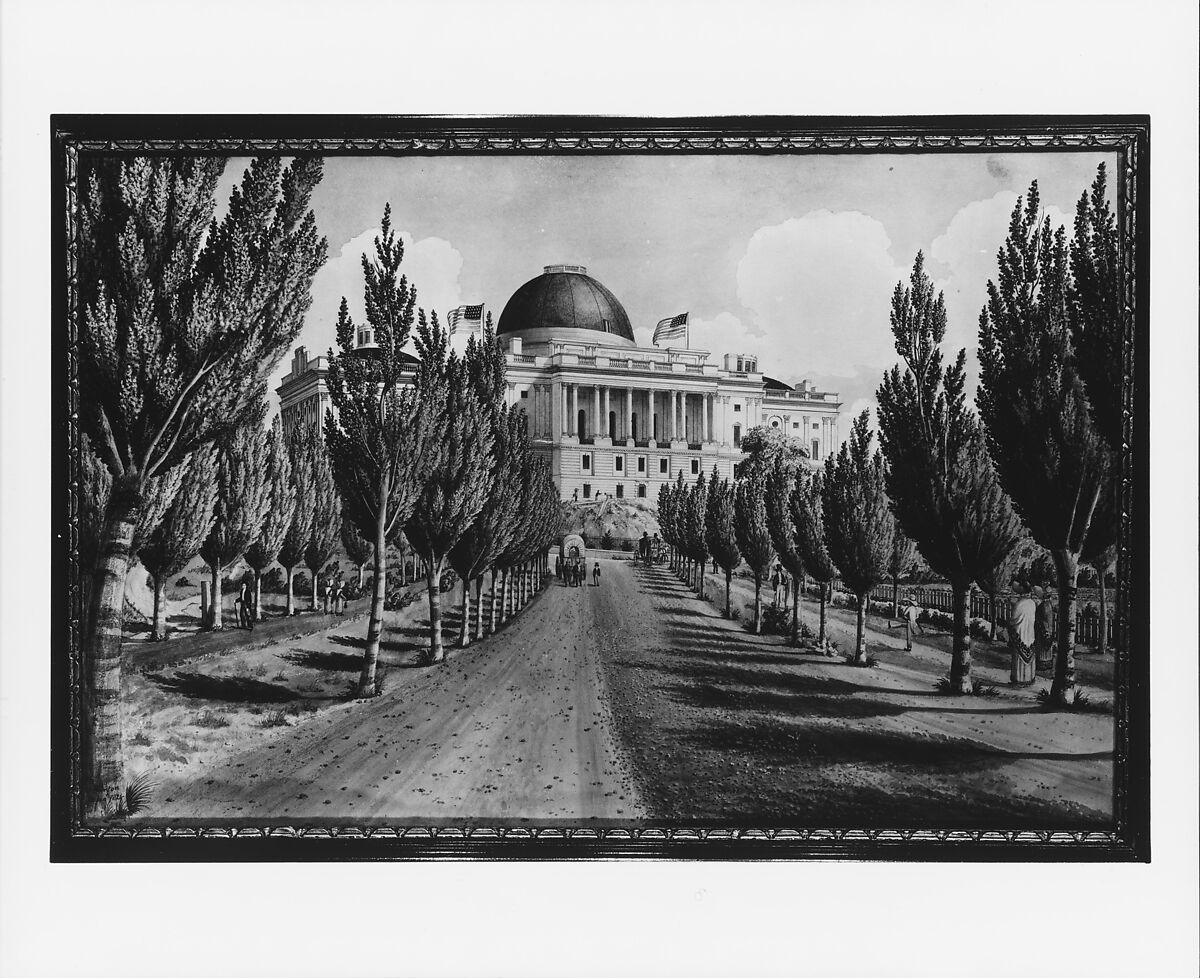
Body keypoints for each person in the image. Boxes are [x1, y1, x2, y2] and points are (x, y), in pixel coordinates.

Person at [1008, 588, 1038, 685]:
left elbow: (1014, 620)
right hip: (1030, 633)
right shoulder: (1032, 603)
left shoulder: (1019, 604)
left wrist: (1010, 623)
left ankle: (1019, 679)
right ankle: (1029, 678)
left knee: (1018, 656)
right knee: (1029, 653)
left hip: (1020, 632)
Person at [1033, 586, 1055, 671]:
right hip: (1047, 628)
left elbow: (1044, 618)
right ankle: (1046, 662)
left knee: (1043, 645)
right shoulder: (1048, 604)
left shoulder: (1044, 605)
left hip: (1043, 628)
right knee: (1045, 646)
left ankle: (1043, 663)